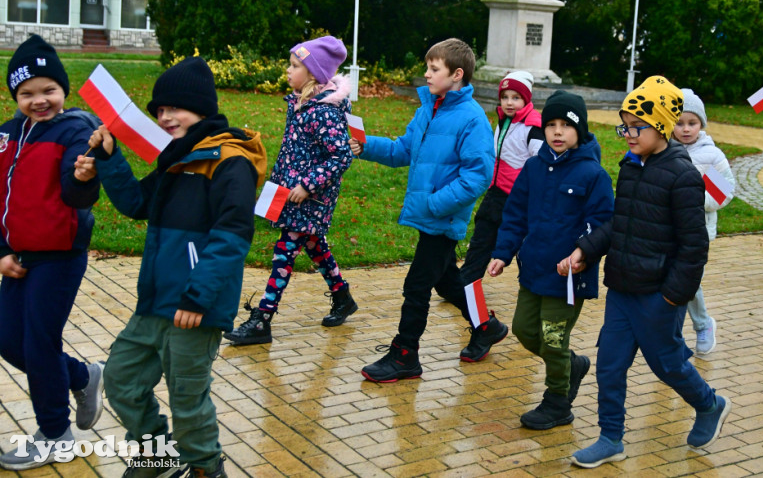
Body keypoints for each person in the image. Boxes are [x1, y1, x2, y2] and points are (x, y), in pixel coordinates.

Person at [77, 56, 266, 478]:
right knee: (123, 382)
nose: (164, 117)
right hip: (155, 304)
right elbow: (136, 204)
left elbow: (233, 236)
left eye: (173, 108)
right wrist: (109, 159)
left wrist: (198, 296)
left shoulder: (228, 161)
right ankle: (158, 458)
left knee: (187, 400)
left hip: (194, 309)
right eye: (159, 110)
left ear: (200, 108)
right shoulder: (177, 159)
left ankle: (205, 468)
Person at [559, 76, 730, 469]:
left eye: (637, 127)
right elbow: (620, 222)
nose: (629, 135)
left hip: (659, 295)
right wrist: (586, 249)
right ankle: (610, 438)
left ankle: (709, 404)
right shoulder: (631, 167)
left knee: (667, 365)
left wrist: (672, 296)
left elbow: (694, 247)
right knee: (609, 365)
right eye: (625, 126)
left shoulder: (683, 176)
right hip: (622, 288)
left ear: (663, 126)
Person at [351, 38, 503, 382]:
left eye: (434, 69)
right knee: (449, 282)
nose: (427, 74)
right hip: (430, 215)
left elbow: (478, 176)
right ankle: (487, 326)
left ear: (457, 74)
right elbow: (403, 149)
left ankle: (405, 355)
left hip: (442, 217)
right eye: (428, 67)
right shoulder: (429, 109)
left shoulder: (472, 119)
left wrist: (436, 204)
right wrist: (364, 146)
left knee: (416, 285)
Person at [0, 35, 105, 471]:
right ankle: (82, 376)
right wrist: (1, 250)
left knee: (40, 344)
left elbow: (77, 196)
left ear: (63, 89)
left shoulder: (77, 129)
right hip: (17, 257)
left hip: (59, 255)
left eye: (48, 90)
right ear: (15, 96)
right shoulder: (6, 134)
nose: (38, 100)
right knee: (9, 340)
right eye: (27, 93)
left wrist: (83, 176)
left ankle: (57, 435)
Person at [486, 90, 613, 430]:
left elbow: (602, 222)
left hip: (569, 277)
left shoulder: (593, 174)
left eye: (566, 125)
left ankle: (557, 402)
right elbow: (515, 216)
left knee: (554, 338)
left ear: (580, 131)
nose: (557, 132)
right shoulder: (533, 168)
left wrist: (582, 252)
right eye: (551, 125)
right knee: (528, 332)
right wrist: (503, 253)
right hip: (534, 271)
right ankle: (570, 366)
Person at [225, 36, 356, 346]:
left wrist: (307, 185)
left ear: (313, 74)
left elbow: (341, 155)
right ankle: (342, 297)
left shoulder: (323, 112)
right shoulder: (300, 104)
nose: (288, 70)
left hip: (311, 196)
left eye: (295, 66)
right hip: (289, 192)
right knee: (314, 245)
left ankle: (262, 319)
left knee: (284, 253)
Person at [459, 70, 543, 287]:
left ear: (526, 98)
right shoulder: (504, 121)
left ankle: (538, 285)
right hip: (496, 190)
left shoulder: (533, 126)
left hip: (518, 197)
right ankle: (466, 283)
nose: (509, 103)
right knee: (482, 236)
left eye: (515, 97)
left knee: (520, 243)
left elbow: (540, 163)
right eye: (505, 97)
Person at [671, 89, 734, 356]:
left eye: (692, 123)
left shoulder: (711, 156)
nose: (686, 129)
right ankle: (671, 336)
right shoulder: (663, 150)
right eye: (679, 122)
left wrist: (695, 200)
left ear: (702, 124)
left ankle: (703, 324)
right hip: (668, 228)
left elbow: (724, 191)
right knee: (671, 279)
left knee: (689, 280)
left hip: (698, 229)